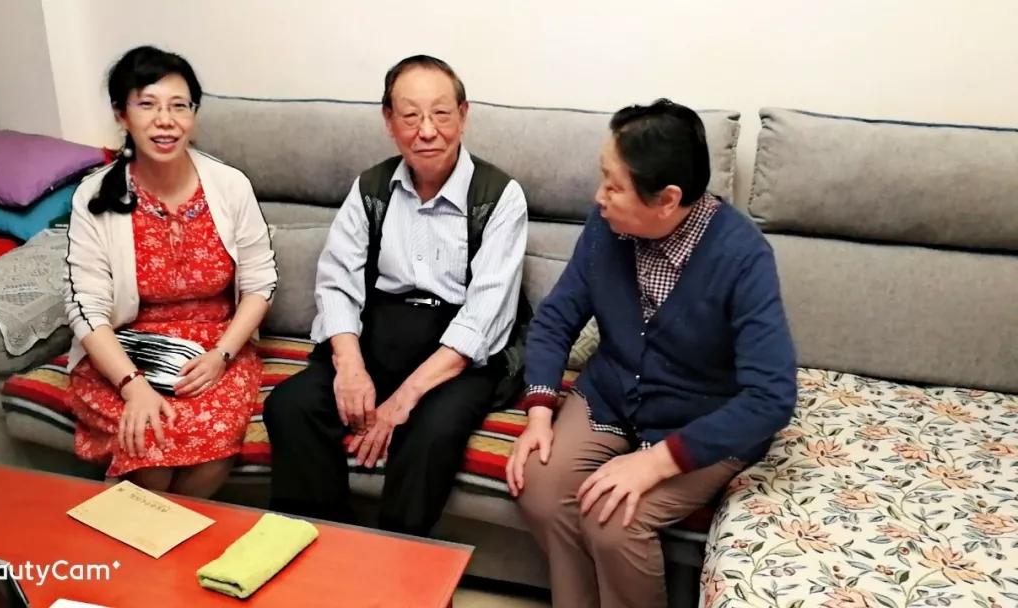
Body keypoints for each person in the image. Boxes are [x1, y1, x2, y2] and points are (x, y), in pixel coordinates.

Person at [506, 99, 797, 608]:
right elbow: (556, 318)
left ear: (666, 200)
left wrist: (657, 462)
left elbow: (771, 397)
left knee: (613, 519)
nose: (599, 197)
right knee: (541, 488)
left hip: (698, 420)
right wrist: (539, 411)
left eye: (613, 186)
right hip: (610, 396)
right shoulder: (606, 226)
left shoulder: (743, 257)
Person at [264, 55, 529, 536]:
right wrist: (350, 367)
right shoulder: (371, 187)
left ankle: (396, 558)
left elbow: (484, 316)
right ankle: (324, 545)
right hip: (379, 336)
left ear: (463, 115)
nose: (427, 131)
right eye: (410, 115)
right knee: (291, 406)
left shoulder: (500, 196)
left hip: (456, 358)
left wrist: (403, 399)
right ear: (389, 121)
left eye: (441, 114)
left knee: (432, 433)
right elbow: (337, 281)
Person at [63, 46, 277, 497]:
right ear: (121, 114)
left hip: (213, 348)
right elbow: (85, 308)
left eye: (179, 106)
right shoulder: (94, 197)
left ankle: (144, 526)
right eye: (148, 105)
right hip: (123, 352)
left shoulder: (230, 186)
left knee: (209, 447)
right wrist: (132, 385)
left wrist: (222, 355)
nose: (166, 121)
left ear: (193, 115)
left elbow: (260, 283)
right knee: (149, 442)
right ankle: (154, 530)